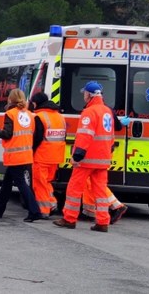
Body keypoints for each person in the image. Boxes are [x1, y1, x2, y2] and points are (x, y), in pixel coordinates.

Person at [54, 81, 116, 232]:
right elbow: (111, 136)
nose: (83, 95)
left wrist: (77, 156)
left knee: (74, 188)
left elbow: (84, 136)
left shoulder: (89, 112)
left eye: (84, 93)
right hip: (103, 159)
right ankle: (102, 222)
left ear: (89, 94)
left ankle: (69, 218)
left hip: (87, 159)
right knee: (100, 192)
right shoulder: (107, 111)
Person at [0, 88, 43, 222]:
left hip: (15, 155)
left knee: (21, 184)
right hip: (26, 154)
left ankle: (34, 211)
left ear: (10, 99)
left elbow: (7, 134)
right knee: (6, 183)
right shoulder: (30, 115)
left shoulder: (10, 114)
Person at [30, 92, 67, 217]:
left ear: (37, 102)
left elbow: (37, 138)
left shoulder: (39, 116)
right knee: (46, 182)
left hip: (42, 156)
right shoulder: (60, 116)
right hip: (56, 156)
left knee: (39, 183)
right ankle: (52, 203)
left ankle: (44, 210)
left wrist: (31, 150)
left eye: (33, 103)